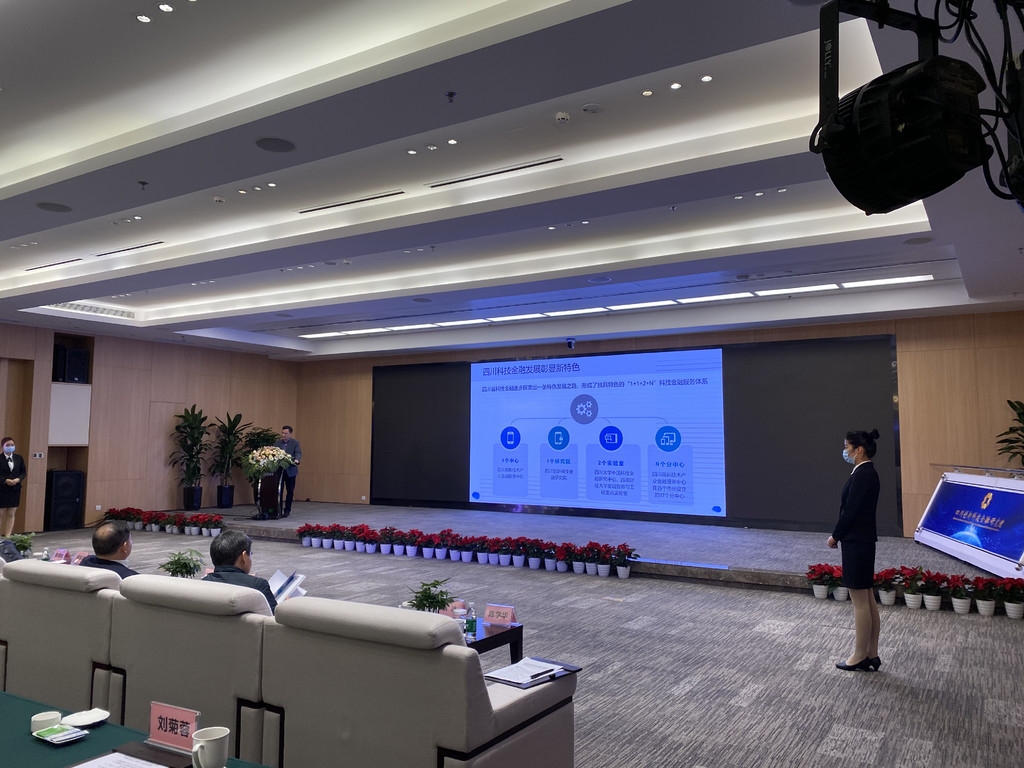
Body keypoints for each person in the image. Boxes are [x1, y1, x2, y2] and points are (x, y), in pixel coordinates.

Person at [827, 428, 881, 672]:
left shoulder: (863, 475)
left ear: (858, 449)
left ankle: (859, 655)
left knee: (860, 602)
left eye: (847, 447)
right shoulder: (867, 473)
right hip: (862, 541)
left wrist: (835, 535)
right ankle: (871, 653)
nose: (845, 451)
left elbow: (850, 512)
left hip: (856, 542)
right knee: (867, 598)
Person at [202, 530, 277, 613]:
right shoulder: (257, 586)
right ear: (243, 557)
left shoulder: (203, 584)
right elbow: (274, 618)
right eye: (250, 554)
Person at [0, 436, 27, 538]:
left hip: (14, 489)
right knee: (0, 514)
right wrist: (5, 480)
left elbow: (23, 472)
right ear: (2, 447)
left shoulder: (19, 458)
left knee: (11, 514)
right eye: (8, 445)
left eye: (12, 445)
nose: (10, 447)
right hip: (2, 489)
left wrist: (18, 479)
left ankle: (8, 537)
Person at [274, 425, 301, 518]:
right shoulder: (277, 443)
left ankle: (287, 510)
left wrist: (297, 460)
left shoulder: (295, 443)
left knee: (290, 491)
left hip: (290, 470)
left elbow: (298, 452)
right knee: (279, 491)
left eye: (286, 433)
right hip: (279, 470)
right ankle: (278, 509)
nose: (283, 435)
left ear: (290, 434)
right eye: (282, 433)